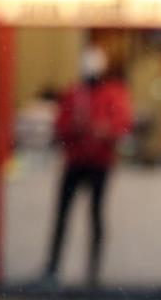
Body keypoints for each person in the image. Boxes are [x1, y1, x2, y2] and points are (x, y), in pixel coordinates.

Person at [44, 44, 132, 285]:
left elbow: (121, 125)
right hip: (75, 162)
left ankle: (93, 273)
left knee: (95, 216)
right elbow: (60, 126)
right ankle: (52, 267)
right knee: (63, 214)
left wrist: (104, 131)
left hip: (99, 164)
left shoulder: (112, 94)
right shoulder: (73, 93)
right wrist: (76, 128)